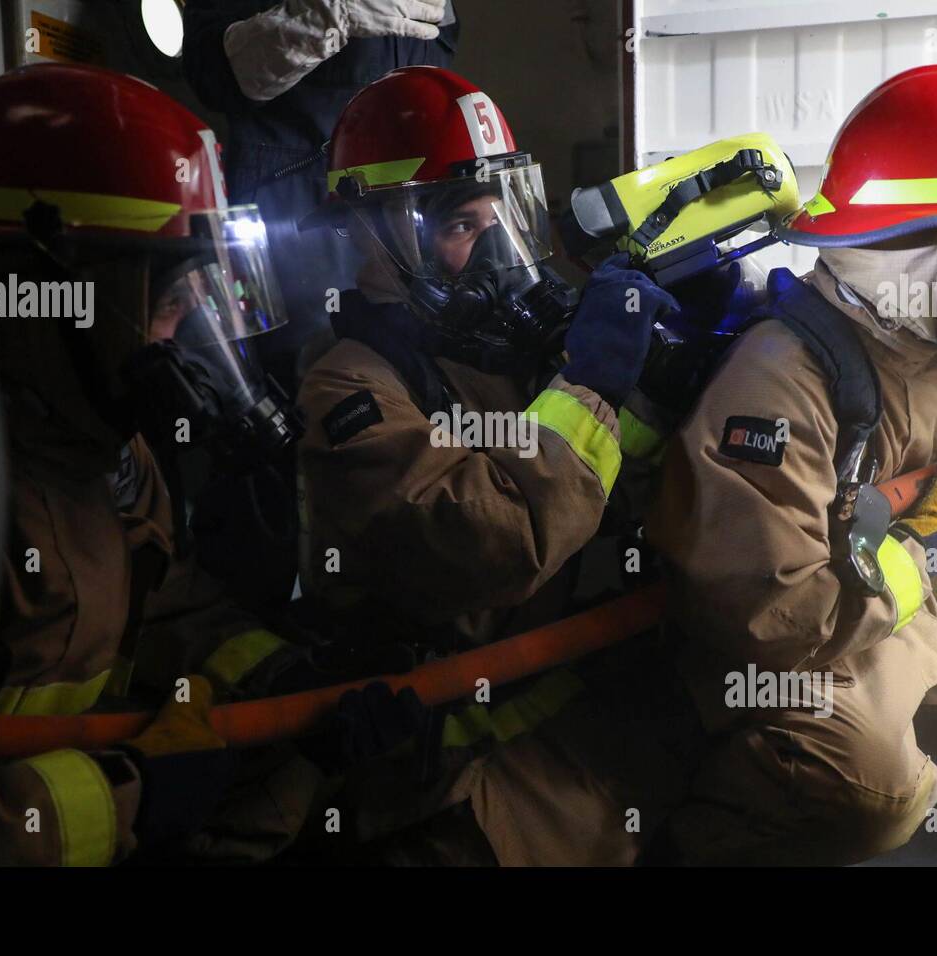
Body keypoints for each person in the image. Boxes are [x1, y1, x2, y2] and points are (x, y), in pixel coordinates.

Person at [0, 63, 323, 865]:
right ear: (39, 294)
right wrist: (133, 797)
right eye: (171, 303)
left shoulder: (105, 451)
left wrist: (286, 677)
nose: (195, 345)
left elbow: (164, 613)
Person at [292, 65, 693, 864]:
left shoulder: (494, 351)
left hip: (568, 730)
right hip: (446, 783)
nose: (497, 255)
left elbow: (622, 483)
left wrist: (686, 370)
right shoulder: (349, 386)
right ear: (372, 235)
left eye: (499, 219)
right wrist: (586, 385)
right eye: (461, 227)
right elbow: (493, 545)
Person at [644, 64, 937, 864]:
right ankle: (707, 839)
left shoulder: (915, 344)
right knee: (867, 788)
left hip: (884, 597)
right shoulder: (781, 377)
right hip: (805, 643)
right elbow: (772, 621)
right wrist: (925, 547)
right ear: (936, 246)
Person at [181, 0, 460, 374]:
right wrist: (328, 15)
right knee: (296, 384)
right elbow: (211, 70)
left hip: (404, 221)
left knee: (409, 380)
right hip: (292, 220)